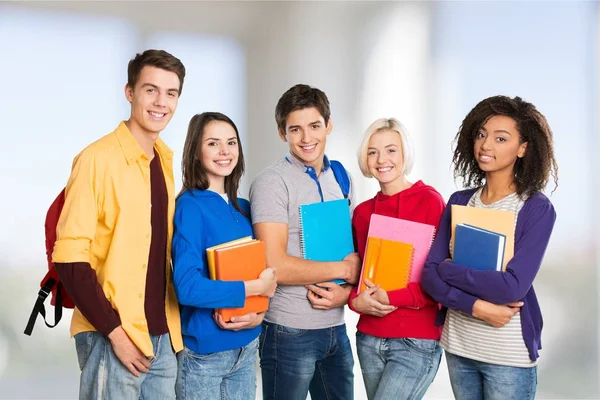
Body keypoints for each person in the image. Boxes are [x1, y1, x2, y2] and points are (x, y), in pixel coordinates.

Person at [52, 49, 186, 399]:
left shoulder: (166, 161)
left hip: (162, 337)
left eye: (171, 93)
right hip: (111, 334)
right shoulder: (96, 159)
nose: (161, 102)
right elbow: (69, 258)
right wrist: (116, 334)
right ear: (130, 92)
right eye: (151, 90)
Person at [421, 95, 559, 400]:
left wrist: (449, 270)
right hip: (459, 347)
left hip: (507, 356)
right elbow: (430, 276)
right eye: (482, 135)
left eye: (500, 138)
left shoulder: (535, 208)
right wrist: (477, 307)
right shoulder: (459, 200)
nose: (486, 145)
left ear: (523, 148)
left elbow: (512, 287)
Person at [250, 84, 360, 400]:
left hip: (336, 329)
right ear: (282, 133)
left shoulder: (341, 176)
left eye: (314, 126)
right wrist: (344, 269)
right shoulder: (272, 182)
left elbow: (350, 249)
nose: (306, 138)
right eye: (295, 129)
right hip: (289, 332)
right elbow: (274, 265)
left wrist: (346, 292)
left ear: (329, 125)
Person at [172, 112, 277, 400]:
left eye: (231, 143)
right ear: (195, 151)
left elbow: (264, 274)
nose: (224, 152)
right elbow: (187, 287)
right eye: (213, 143)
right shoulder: (189, 207)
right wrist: (254, 289)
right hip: (206, 357)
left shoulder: (245, 208)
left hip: (247, 349)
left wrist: (259, 314)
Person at [348, 118, 445, 400]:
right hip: (369, 338)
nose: (382, 160)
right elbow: (357, 275)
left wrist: (392, 297)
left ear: (405, 154)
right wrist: (355, 300)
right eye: (373, 152)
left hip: (415, 340)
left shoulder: (430, 201)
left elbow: (438, 276)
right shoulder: (363, 213)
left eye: (391, 150)